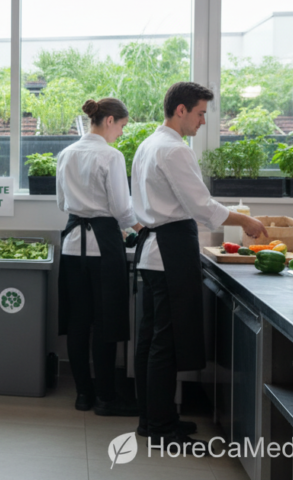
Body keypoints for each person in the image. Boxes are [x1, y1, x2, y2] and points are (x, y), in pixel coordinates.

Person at [131, 82, 267, 451]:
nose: (204, 121)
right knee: (164, 343)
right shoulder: (173, 150)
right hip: (169, 253)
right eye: (201, 113)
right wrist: (245, 221)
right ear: (180, 110)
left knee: (151, 341)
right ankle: (159, 425)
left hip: (154, 253)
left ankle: (153, 418)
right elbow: (200, 205)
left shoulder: (148, 144)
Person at [57, 98, 143, 416]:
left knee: (78, 322)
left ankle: (83, 394)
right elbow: (122, 209)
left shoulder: (66, 154)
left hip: (71, 244)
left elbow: (61, 202)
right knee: (106, 323)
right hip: (102, 248)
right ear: (108, 120)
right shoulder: (111, 156)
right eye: (121, 126)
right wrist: (141, 228)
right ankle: (107, 398)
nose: (120, 133)